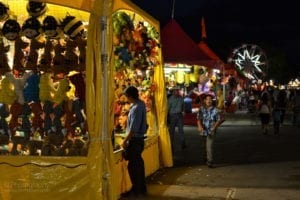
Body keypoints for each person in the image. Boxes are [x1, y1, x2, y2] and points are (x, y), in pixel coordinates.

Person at [121, 86, 147, 197]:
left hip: (135, 140)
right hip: (139, 139)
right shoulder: (140, 104)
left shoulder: (136, 108)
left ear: (130, 96)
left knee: (134, 166)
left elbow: (133, 128)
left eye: (126, 96)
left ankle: (136, 190)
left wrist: (125, 141)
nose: (125, 99)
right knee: (138, 165)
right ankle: (140, 189)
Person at [196, 93, 222, 168]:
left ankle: (210, 161)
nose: (209, 101)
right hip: (203, 130)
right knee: (203, 146)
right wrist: (199, 126)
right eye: (207, 99)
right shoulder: (201, 109)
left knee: (209, 146)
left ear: (212, 101)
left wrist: (214, 127)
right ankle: (205, 158)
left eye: (210, 99)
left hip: (211, 130)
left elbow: (218, 120)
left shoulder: (215, 110)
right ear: (204, 100)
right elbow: (198, 119)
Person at [167, 86, 187, 151]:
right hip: (172, 115)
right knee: (171, 131)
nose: (177, 92)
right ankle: (170, 144)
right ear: (173, 92)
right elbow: (168, 108)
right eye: (176, 91)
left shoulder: (181, 98)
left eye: (178, 90)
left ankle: (183, 144)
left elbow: (183, 106)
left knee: (181, 130)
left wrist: (183, 111)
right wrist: (167, 117)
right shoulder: (170, 99)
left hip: (179, 115)